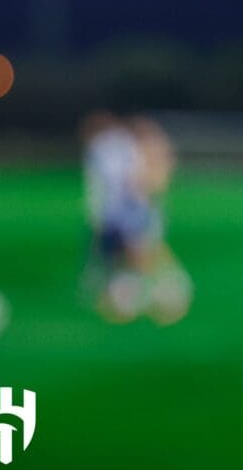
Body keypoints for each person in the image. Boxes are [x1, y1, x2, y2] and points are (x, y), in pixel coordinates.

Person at [82, 111, 193, 325]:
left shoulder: (123, 150)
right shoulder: (126, 149)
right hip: (133, 210)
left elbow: (143, 182)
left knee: (141, 254)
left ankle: (165, 293)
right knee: (136, 254)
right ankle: (139, 295)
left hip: (133, 211)